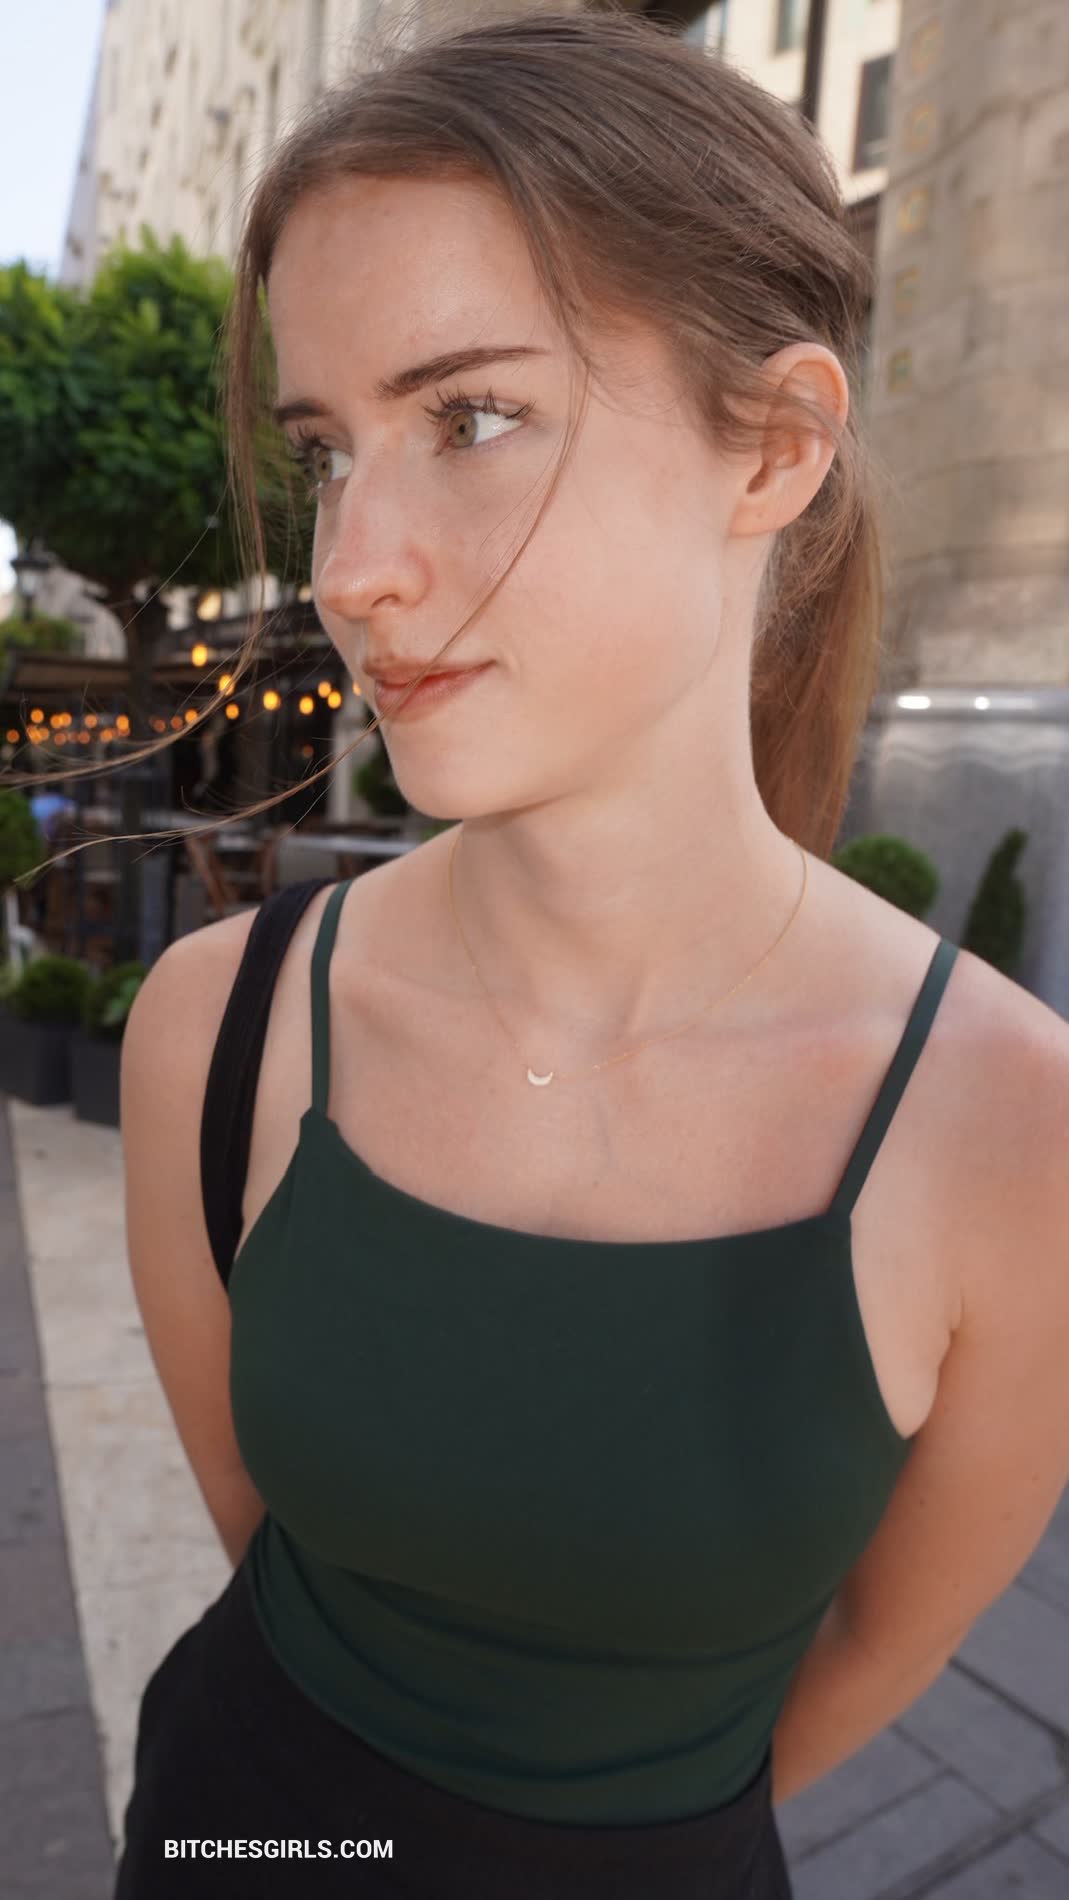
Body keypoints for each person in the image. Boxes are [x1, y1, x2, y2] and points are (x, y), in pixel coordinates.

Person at [112, 9, 1069, 1897]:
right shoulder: (217, 1028)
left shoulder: (1008, 1128)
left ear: (774, 447)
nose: (349, 566)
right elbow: (268, 1545)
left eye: (470, 417)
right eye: (325, 451)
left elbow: (887, 1643)